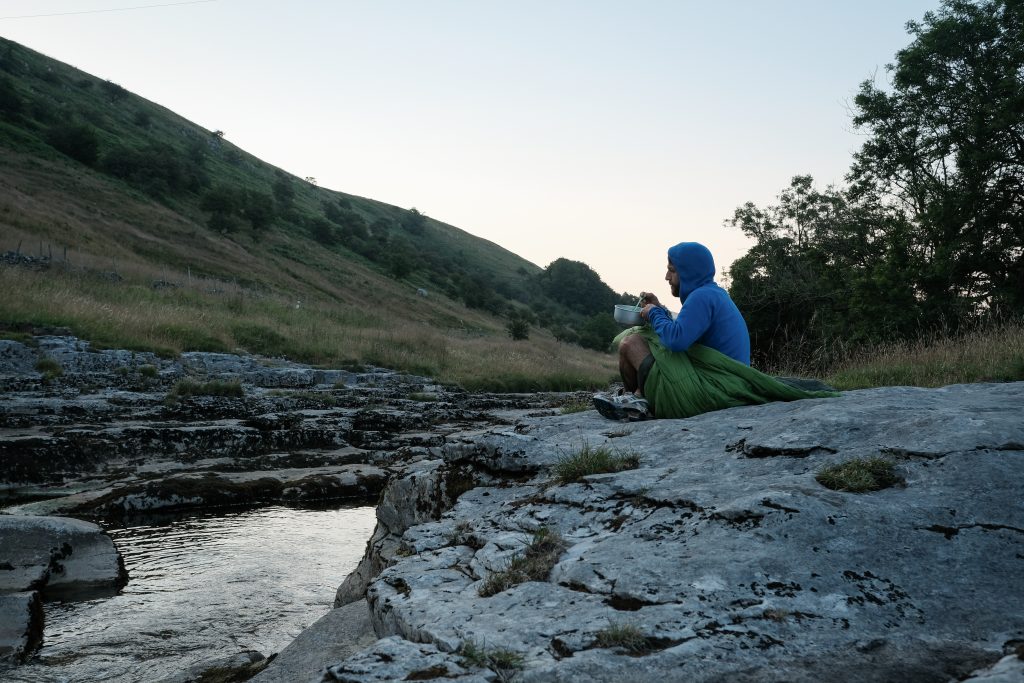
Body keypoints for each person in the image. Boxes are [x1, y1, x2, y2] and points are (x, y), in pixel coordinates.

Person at [593, 241, 836, 421]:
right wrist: (660, 310)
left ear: (687, 271)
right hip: (726, 385)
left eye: (672, 270)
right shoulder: (712, 294)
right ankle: (634, 396)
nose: (666, 276)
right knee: (648, 336)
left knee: (631, 342)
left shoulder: (701, 297)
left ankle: (637, 402)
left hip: (711, 390)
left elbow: (677, 340)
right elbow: (686, 330)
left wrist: (654, 314)